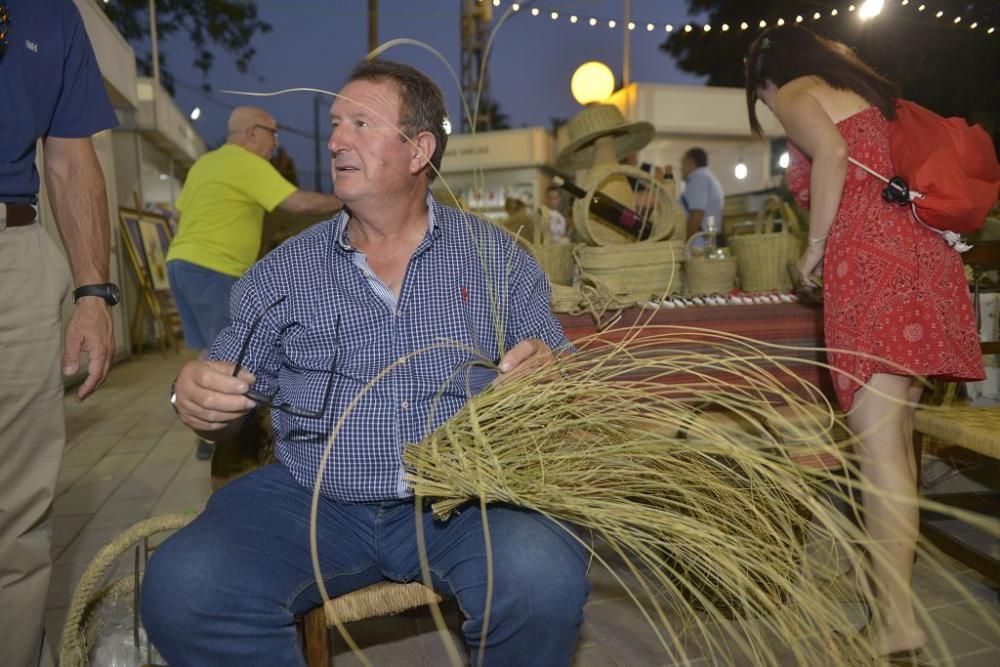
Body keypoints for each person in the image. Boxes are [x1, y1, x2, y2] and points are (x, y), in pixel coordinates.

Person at [141, 59, 590, 665]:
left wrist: (546, 375)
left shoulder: (497, 259)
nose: (334, 140)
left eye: (360, 123)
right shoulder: (281, 273)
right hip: (311, 497)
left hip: (462, 499)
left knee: (541, 575)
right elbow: (220, 395)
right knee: (183, 584)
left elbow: (556, 373)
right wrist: (192, 397)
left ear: (418, 150)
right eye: (334, 124)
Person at [744, 25, 984, 660]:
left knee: (879, 458)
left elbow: (830, 154)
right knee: (896, 450)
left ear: (766, 79)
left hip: (873, 269)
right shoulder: (856, 89)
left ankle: (896, 623)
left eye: (760, 100)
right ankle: (890, 612)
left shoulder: (795, 89)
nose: (771, 108)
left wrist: (814, 248)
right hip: (918, 260)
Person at [0, 1, 120, 665]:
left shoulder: (52, 12)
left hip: (12, 250)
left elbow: (71, 160)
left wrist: (94, 293)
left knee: (16, 515)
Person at [165, 106, 342, 459]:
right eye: (272, 133)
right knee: (232, 357)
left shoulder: (205, 163)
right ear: (251, 133)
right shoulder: (245, 162)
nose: (276, 144)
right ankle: (223, 440)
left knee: (208, 350)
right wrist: (349, 199)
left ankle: (208, 430)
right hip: (214, 266)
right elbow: (298, 203)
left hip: (180, 263)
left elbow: (183, 211)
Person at [678, 147, 725, 249]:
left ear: (690, 163)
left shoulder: (698, 178)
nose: (681, 168)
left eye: (682, 163)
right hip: (705, 241)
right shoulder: (708, 178)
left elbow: (696, 215)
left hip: (698, 244)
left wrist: (684, 242)